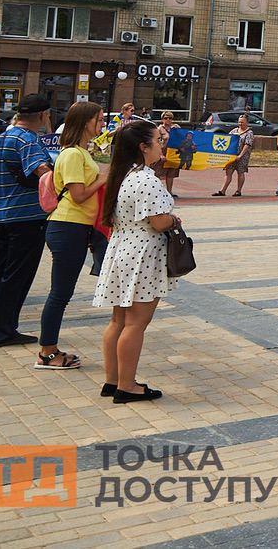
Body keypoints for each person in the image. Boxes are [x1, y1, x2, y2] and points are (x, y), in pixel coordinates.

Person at [94, 120, 180, 403]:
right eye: (157, 140)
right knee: (136, 323)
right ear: (143, 147)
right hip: (142, 255)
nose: (161, 144)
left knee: (119, 320)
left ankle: (113, 379)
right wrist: (174, 219)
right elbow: (157, 222)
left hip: (123, 250)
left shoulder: (125, 175)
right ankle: (127, 385)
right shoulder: (147, 179)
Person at [0, 94, 53, 348]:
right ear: (43, 115)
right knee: (17, 275)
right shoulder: (28, 139)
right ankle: (4, 330)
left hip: (3, 212)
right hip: (27, 216)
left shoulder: (2, 137)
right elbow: (42, 172)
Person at [37, 101, 108, 371]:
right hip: (68, 226)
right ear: (84, 121)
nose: (101, 123)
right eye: (98, 119)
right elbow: (78, 196)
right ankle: (47, 352)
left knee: (62, 292)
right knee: (60, 293)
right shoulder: (72, 155)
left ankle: (49, 348)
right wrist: (103, 178)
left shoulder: (80, 152)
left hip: (77, 227)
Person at [215, 113, 253, 197]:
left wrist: (240, 155)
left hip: (242, 157)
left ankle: (238, 191)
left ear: (247, 123)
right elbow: (228, 140)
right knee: (228, 172)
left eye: (242, 122)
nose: (240, 124)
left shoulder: (249, 133)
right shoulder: (234, 131)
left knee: (240, 172)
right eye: (239, 122)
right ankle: (222, 190)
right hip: (232, 155)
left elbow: (247, 145)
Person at [154, 112, 182, 195]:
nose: (168, 120)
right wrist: (160, 154)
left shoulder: (175, 128)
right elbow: (156, 142)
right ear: (162, 119)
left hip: (172, 153)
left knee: (171, 173)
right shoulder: (159, 129)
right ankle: (158, 192)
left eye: (170, 118)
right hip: (162, 152)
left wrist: (178, 130)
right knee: (158, 172)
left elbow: (181, 138)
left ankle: (169, 192)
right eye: (166, 118)